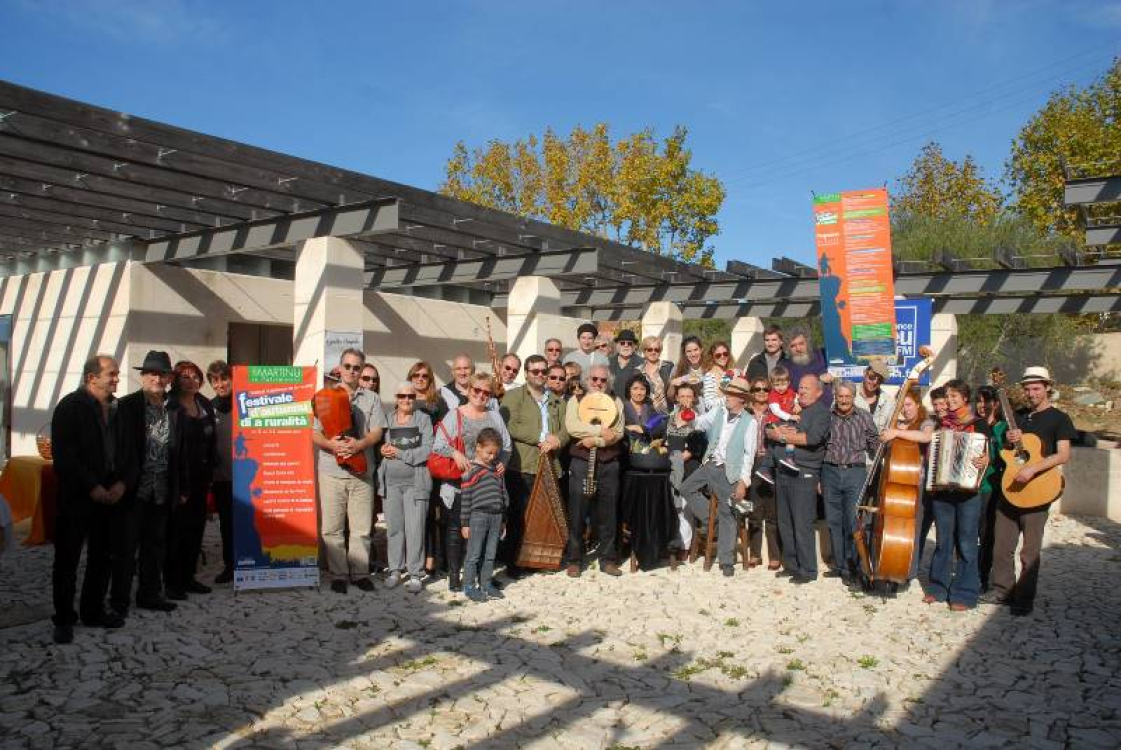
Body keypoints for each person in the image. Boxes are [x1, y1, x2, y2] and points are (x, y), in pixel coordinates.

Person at [985, 366, 1076, 617]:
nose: (1031, 393)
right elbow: (1007, 451)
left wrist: (1033, 469)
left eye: (1036, 388)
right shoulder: (1020, 416)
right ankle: (1002, 591)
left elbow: (1063, 454)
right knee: (1002, 546)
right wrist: (1010, 438)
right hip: (1010, 486)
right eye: (1027, 389)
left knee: (1030, 550)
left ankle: (1024, 599)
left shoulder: (1059, 418)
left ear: (1048, 387)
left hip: (1038, 488)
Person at [50, 354, 127, 643]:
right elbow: (65, 456)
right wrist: (91, 485)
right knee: (68, 557)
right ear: (91, 378)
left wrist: (121, 482)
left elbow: (127, 451)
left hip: (110, 496)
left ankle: (93, 610)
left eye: (117, 373)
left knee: (103, 556)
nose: (116, 379)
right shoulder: (70, 407)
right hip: (78, 497)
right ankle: (64, 618)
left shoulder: (117, 410)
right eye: (111, 373)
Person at [313, 348, 387, 594]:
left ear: (361, 370)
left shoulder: (372, 399)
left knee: (361, 528)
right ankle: (338, 574)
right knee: (332, 528)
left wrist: (360, 444)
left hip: (361, 471)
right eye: (348, 366)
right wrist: (331, 444)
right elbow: (314, 432)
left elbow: (377, 431)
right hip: (331, 470)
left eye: (357, 367)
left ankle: (360, 573)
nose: (352, 371)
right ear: (340, 368)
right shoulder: (324, 396)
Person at [432, 373, 512, 591]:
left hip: (486, 485)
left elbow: (506, 445)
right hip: (461, 481)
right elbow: (437, 444)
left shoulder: (494, 417)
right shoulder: (454, 415)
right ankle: (455, 576)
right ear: (469, 390)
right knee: (457, 529)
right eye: (477, 390)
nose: (481, 395)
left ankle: (480, 574)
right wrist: (455, 453)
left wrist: (503, 461)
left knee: (483, 531)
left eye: (486, 392)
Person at [116, 350, 181, 614]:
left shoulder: (174, 407)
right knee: (125, 548)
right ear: (142, 376)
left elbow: (180, 449)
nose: (157, 377)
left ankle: (150, 594)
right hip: (134, 488)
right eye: (152, 372)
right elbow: (118, 449)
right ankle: (119, 600)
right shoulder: (126, 406)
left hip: (162, 488)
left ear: (168, 378)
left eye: (162, 373)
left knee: (155, 545)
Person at [678, 376, 760, 577]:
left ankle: (726, 560)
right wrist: (687, 414)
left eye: (732, 394)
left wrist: (743, 482)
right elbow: (699, 424)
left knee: (727, 512)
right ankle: (710, 520)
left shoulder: (750, 423)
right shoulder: (719, 411)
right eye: (728, 393)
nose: (727, 397)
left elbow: (749, 456)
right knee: (685, 488)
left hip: (729, 471)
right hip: (710, 464)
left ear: (741, 399)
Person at [923, 379, 991, 611]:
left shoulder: (979, 425)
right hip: (944, 491)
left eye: (954, 397)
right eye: (948, 397)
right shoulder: (942, 426)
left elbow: (990, 456)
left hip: (969, 492)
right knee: (943, 542)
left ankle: (964, 593)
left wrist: (986, 460)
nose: (950, 401)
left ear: (964, 399)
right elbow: (933, 454)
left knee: (967, 543)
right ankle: (938, 588)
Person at [499, 354, 568, 578]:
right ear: (527, 373)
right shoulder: (513, 396)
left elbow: (568, 427)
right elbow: (509, 425)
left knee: (545, 514)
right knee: (519, 515)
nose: (539, 375)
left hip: (550, 464)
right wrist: (541, 437)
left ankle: (537, 560)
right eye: (534, 371)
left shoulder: (557, 400)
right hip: (522, 464)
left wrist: (558, 439)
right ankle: (515, 562)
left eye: (542, 371)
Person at [766, 374, 830, 584]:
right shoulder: (798, 410)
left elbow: (811, 439)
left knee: (802, 523)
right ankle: (792, 565)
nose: (801, 391)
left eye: (806, 388)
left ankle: (808, 570)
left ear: (819, 392)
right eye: (800, 387)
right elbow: (781, 429)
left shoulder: (820, 412)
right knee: (786, 522)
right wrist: (775, 432)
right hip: (784, 471)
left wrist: (782, 437)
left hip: (804, 473)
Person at [563, 364, 625, 577]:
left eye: (603, 380)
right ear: (587, 380)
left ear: (609, 382)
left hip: (609, 463)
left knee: (608, 512)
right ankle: (574, 559)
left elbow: (617, 433)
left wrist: (592, 440)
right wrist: (600, 431)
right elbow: (572, 427)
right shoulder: (576, 400)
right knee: (578, 510)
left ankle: (608, 559)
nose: (598, 383)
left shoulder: (616, 402)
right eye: (594, 379)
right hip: (581, 463)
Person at [164, 360, 217, 601]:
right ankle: (173, 583)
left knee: (196, 529)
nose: (191, 380)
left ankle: (189, 577)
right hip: (178, 478)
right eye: (184, 376)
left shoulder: (204, 403)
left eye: (195, 376)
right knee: (176, 531)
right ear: (175, 380)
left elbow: (211, 439)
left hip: (201, 477)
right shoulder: (170, 407)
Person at [821, 381, 880, 587]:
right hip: (830, 471)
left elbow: (875, 442)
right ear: (836, 397)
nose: (844, 400)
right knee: (833, 520)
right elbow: (820, 445)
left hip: (855, 472)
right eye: (840, 396)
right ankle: (839, 566)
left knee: (853, 521)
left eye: (847, 396)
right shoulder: (827, 416)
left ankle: (853, 565)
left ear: (853, 397)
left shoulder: (864, 416)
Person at [378, 381, 433, 594]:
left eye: (410, 396)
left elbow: (428, 448)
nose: (406, 400)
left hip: (415, 483)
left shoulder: (423, 419)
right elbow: (383, 445)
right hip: (391, 483)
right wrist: (383, 449)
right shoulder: (388, 419)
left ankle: (415, 573)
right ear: (396, 397)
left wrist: (401, 453)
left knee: (415, 529)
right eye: (402, 396)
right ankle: (394, 570)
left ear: (415, 399)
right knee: (394, 529)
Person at [879, 386, 935, 582]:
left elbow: (926, 437)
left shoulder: (926, 422)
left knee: (914, 528)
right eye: (902, 405)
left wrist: (897, 432)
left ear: (918, 405)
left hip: (916, 483)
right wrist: (889, 434)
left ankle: (909, 570)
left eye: (909, 404)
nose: (905, 409)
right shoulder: (898, 424)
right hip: (897, 480)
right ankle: (889, 562)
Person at [459, 428, 510, 602]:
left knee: (490, 553)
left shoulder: (497, 469)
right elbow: (466, 498)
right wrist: (465, 523)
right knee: (474, 554)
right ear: (478, 447)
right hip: (478, 516)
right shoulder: (470, 470)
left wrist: (503, 518)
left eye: (495, 454)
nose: (491, 457)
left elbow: (503, 493)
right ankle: (468, 586)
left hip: (496, 517)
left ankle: (486, 583)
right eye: (489, 453)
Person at [407, 360, 446, 578]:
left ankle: (430, 557)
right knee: (411, 513)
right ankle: (412, 557)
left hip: (431, 462)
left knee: (430, 513)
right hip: (409, 463)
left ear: (430, 379)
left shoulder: (438, 403)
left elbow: (445, 432)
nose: (420, 379)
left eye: (424, 375)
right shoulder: (405, 399)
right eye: (416, 375)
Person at [745, 375, 782, 570]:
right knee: (754, 509)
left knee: (772, 510)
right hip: (751, 463)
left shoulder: (776, 413)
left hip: (771, 462)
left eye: (765, 389)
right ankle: (755, 553)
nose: (761, 392)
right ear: (751, 393)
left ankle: (775, 554)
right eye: (757, 389)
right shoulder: (745, 414)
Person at [665, 382, 706, 560]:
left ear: (694, 398)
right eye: (682, 396)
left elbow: (699, 444)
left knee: (685, 506)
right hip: (671, 464)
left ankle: (685, 545)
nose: (686, 399)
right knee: (672, 504)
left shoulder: (698, 419)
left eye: (689, 396)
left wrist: (682, 457)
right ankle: (671, 541)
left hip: (688, 465)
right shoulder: (670, 416)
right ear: (676, 398)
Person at [975, 385, 1008, 592]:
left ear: (996, 404)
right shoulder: (973, 425)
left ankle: (983, 577)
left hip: (990, 487)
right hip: (971, 487)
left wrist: (992, 458)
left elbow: (1012, 457)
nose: (981, 405)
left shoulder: (1004, 428)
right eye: (977, 400)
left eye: (985, 401)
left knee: (986, 534)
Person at [206, 361, 235, 585]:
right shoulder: (208, 407)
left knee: (248, 522)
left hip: (247, 476)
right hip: (222, 476)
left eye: (224, 378)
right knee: (226, 523)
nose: (220, 384)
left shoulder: (245, 403)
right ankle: (230, 566)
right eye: (215, 380)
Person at [786, 329, 834, 401]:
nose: (798, 349)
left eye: (801, 344)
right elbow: (791, 386)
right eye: (793, 346)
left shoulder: (822, 354)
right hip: (804, 410)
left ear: (807, 343)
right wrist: (819, 379)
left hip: (831, 408)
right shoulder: (785, 366)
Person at [853, 360, 896, 433]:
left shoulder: (889, 402)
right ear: (864, 373)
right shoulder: (848, 394)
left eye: (879, 380)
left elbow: (888, 431)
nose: (875, 382)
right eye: (872, 377)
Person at [668, 336, 707, 410]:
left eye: (696, 350)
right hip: (684, 411)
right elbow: (670, 396)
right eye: (689, 351)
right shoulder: (677, 368)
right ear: (684, 353)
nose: (693, 354)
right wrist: (673, 384)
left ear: (701, 350)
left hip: (707, 412)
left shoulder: (709, 367)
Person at [639, 336, 675, 412]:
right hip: (646, 415)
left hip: (667, 414)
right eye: (649, 349)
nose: (653, 352)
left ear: (660, 351)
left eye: (657, 350)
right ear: (644, 351)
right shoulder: (638, 371)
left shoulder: (668, 367)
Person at [702, 341, 736, 412]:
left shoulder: (730, 372)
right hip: (717, 417)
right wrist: (730, 398)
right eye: (718, 355)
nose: (722, 357)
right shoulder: (710, 376)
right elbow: (709, 404)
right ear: (712, 357)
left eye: (725, 354)